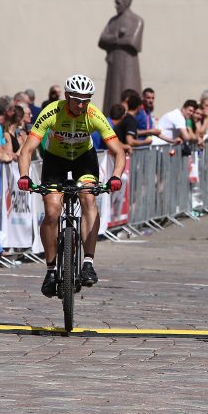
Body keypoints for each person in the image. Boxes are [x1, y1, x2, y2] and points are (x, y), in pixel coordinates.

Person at [18, 74, 126, 298]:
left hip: (83, 160)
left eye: (86, 100)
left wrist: (115, 176)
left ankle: (88, 262)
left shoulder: (93, 114)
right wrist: (24, 175)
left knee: (88, 198)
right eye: (77, 99)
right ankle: (50, 270)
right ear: (66, 96)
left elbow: (119, 151)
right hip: (55, 160)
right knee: (52, 210)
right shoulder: (52, 112)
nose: (81, 104)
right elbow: (27, 149)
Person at [98, 0, 144, 112]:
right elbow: (102, 40)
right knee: (112, 94)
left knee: (128, 89)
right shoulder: (112, 21)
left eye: (117, 3)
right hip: (114, 63)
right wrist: (118, 37)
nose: (116, 6)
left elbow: (133, 42)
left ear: (126, 3)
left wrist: (113, 40)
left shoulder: (137, 20)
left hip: (129, 63)